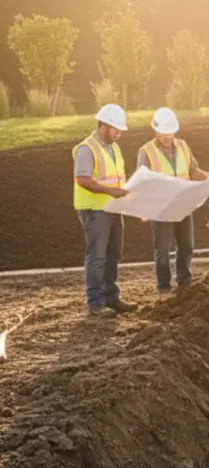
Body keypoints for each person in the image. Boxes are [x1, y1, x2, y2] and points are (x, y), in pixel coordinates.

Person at [137, 107, 209, 298]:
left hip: (183, 206)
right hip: (161, 209)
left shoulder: (183, 146)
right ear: (155, 130)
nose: (168, 136)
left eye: (171, 132)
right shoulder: (146, 152)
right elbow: (142, 182)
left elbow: (193, 171)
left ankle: (184, 282)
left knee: (187, 245)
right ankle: (164, 289)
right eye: (164, 133)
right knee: (162, 250)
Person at [73, 104, 138, 318]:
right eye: (115, 129)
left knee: (113, 253)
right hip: (95, 210)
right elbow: (82, 179)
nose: (118, 133)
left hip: (113, 208)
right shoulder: (87, 148)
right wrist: (110, 191)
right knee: (97, 256)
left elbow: (117, 178)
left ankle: (111, 298)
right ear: (103, 127)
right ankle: (96, 303)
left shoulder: (114, 147)